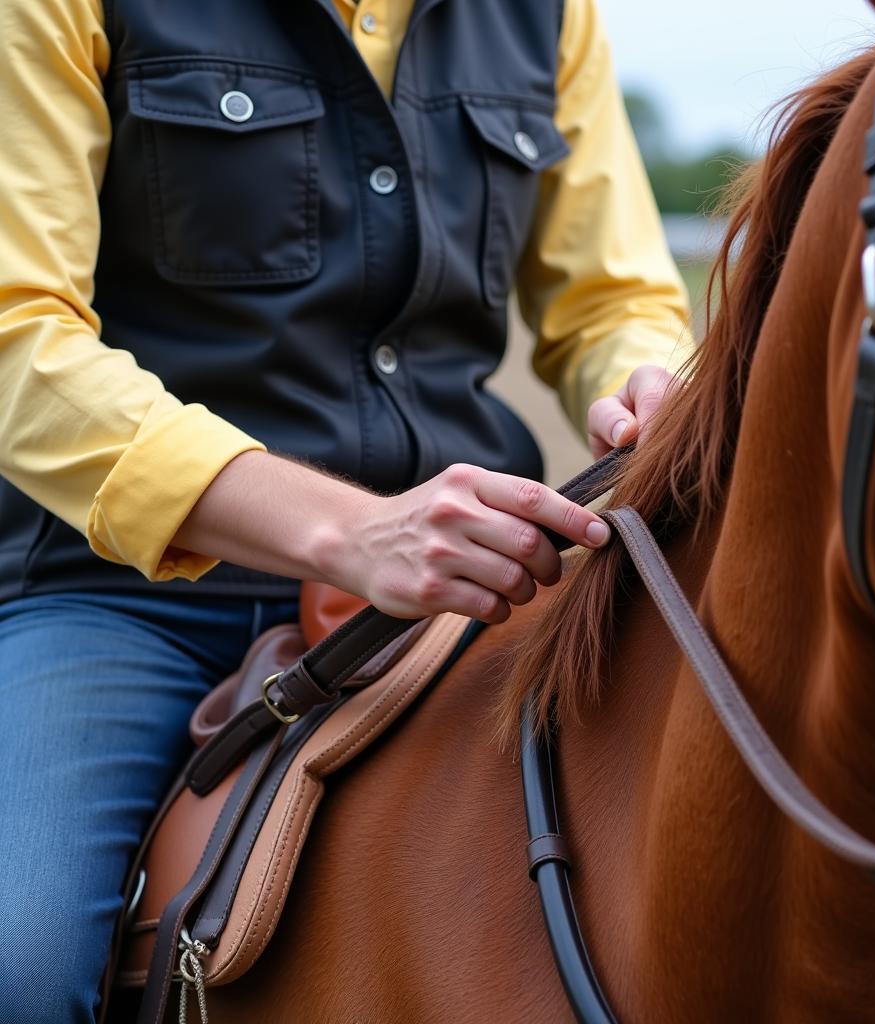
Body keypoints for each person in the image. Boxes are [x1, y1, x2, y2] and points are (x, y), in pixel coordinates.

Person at [0, 0, 691, 1019]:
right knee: (22, 957)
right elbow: (21, 345)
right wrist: (353, 532)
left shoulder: (546, 13)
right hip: (123, 592)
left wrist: (647, 381)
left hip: (471, 585)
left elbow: (611, 298)